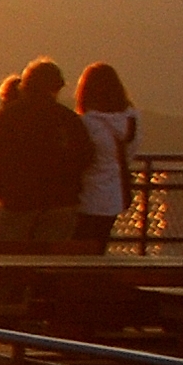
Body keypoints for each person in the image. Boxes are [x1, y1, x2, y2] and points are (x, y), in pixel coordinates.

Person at [0, 60, 91, 249]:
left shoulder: (8, 116)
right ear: (56, 87)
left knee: (6, 259)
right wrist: (69, 187)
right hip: (60, 203)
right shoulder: (68, 119)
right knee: (49, 263)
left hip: (17, 202)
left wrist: (4, 193)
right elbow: (85, 156)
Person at [71, 62, 141, 254]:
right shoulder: (131, 120)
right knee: (99, 246)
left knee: (78, 250)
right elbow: (128, 154)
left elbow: (80, 158)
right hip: (115, 194)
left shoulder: (87, 123)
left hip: (86, 196)